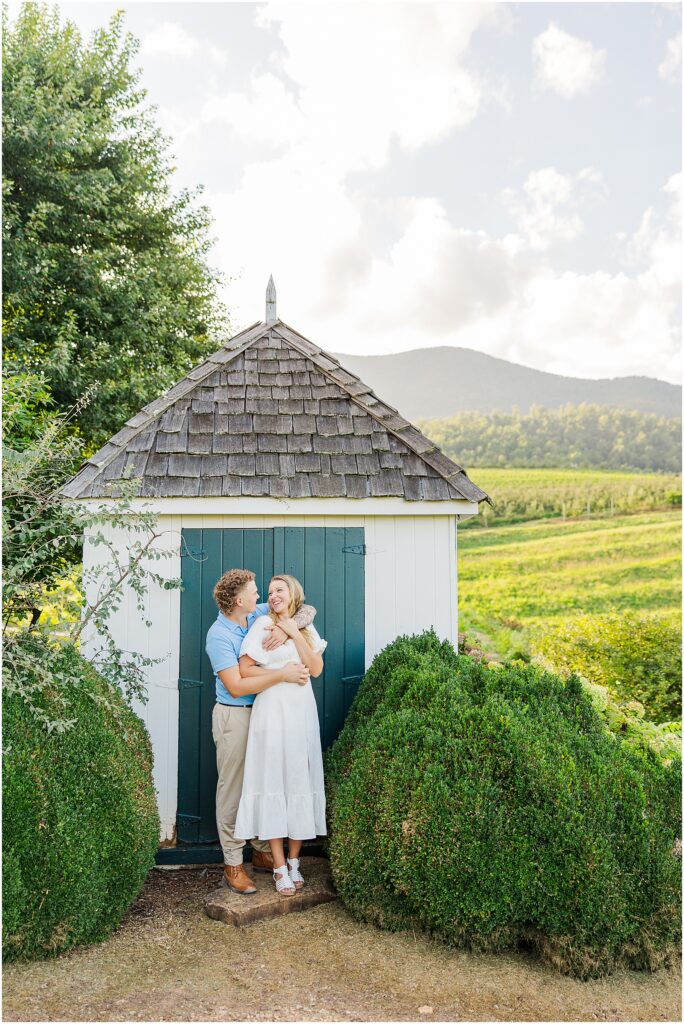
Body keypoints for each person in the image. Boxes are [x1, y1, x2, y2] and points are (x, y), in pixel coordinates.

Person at [205, 569, 316, 895]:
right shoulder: (219, 636)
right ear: (239, 600)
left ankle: (262, 853)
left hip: (268, 714)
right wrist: (282, 674)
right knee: (234, 790)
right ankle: (233, 864)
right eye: (255, 592)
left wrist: (287, 631)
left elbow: (305, 609)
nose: (261, 597)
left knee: (264, 781)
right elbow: (237, 686)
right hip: (236, 716)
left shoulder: (253, 614)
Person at [234, 574, 327, 896]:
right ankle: (277, 866)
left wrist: (291, 631)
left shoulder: (305, 627)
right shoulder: (261, 626)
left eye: (279, 590)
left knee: (299, 780)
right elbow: (245, 669)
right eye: (270, 591)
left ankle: (294, 861)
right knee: (273, 781)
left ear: (292, 594)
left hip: (301, 713)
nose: (273, 595)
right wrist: (281, 674)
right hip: (271, 712)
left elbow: (315, 668)